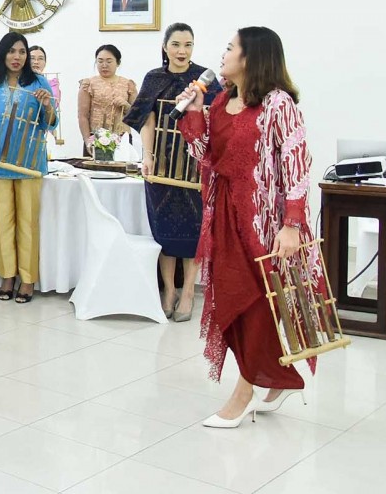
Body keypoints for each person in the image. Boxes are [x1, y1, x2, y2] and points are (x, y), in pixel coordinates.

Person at [175, 26, 319, 428]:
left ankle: (244, 392)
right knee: (233, 299)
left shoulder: (278, 104)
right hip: (223, 216)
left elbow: (297, 165)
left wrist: (292, 223)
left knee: (255, 303)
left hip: (263, 220)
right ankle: (274, 379)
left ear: (251, 57)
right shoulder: (222, 101)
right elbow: (207, 157)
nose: (222, 55)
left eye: (230, 48)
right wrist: (193, 114)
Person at [124, 23, 223, 322]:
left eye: (188, 45)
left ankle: (189, 292)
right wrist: (148, 156)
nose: (182, 51)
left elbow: (217, 119)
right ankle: (168, 290)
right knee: (164, 231)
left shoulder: (206, 79)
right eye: (177, 44)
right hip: (162, 166)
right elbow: (146, 119)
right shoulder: (154, 78)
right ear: (165, 46)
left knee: (193, 232)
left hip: (195, 166)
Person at [0, 33, 56, 303]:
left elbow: (51, 124)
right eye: (11, 51)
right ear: (2, 54)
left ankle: (28, 279)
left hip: (30, 162)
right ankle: (8, 276)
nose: (17, 57)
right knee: (4, 222)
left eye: (22, 52)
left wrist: (47, 105)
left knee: (28, 222)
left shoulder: (39, 82)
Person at [78, 44, 137, 154]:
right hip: (96, 139)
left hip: (122, 138)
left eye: (109, 61)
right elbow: (82, 116)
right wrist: (87, 141)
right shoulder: (88, 84)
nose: (104, 65)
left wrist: (126, 105)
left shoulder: (128, 84)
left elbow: (137, 114)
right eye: (100, 61)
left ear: (118, 63)